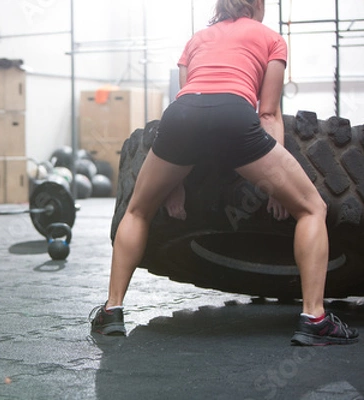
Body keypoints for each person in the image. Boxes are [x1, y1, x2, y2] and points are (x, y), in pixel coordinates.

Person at [89, 0, 359, 346]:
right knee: (312, 208)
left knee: (137, 210)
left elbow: (190, 101)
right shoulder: (271, 38)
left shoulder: (197, 39)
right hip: (235, 116)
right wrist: (273, 187)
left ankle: (112, 312)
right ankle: (315, 318)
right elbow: (269, 114)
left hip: (181, 116)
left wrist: (175, 184)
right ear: (257, 5)